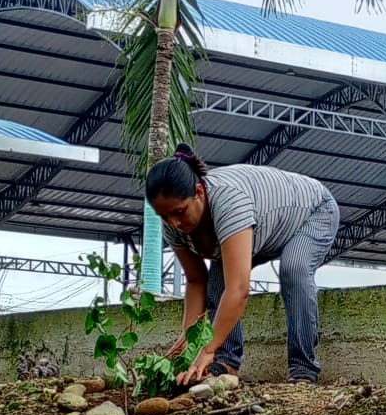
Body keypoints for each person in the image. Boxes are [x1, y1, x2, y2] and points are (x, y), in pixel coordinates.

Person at [145, 144, 340, 386]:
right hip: (262, 228)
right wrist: (189, 338)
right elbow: (196, 280)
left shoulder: (229, 202)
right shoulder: (173, 224)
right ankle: (226, 363)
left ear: (199, 192)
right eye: (164, 216)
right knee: (218, 282)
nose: (173, 222)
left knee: (294, 269)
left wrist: (207, 349)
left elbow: (239, 290)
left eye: (179, 212)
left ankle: (303, 369)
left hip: (312, 212)